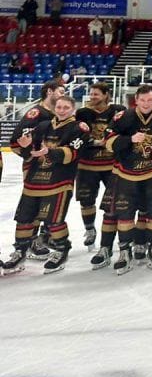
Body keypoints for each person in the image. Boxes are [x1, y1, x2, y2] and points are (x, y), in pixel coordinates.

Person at [1, 96, 89, 275]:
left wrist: (48, 151)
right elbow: (28, 152)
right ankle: (20, 251)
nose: (62, 110)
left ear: (73, 109)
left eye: (66, 107)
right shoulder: (42, 126)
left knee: (54, 220)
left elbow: (72, 153)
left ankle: (62, 249)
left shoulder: (79, 128)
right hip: (34, 181)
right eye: (59, 107)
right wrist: (25, 146)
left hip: (59, 182)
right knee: (24, 219)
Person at [103, 84, 152, 275]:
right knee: (125, 214)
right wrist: (129, 140)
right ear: (136, 100)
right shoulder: (124, 117)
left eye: (149, 100)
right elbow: (108, 143)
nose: (146, 103)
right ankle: (124, 252)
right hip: (126, 174)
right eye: (142, 100)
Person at [76, 82, 126, 259]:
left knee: (114, 202)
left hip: (111, 165)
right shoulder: (82, 113)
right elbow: (79, 136)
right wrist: (96, 142)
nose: (92, 97)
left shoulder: (118, 110)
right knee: (86, 200)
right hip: (87, 165)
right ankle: (90, 229)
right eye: (91, 94)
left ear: (106, 95)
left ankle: (116, 234)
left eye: (96, 94)